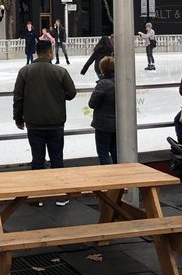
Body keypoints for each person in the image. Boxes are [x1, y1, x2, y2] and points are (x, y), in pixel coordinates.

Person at [13, 39, 77, 176]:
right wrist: (57, 95)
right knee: (57, 160)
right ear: (49, 52)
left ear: (37, 53)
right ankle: (61, 194)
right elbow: (71, 93)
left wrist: (18, 118)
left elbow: (18, 98)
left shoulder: (25, 72)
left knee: (37, 160)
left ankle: (38, 193)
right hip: (55, 123)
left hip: (34, 123)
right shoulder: (60, 72)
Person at [88, 55, 117, 164]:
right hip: (117, 123)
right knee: (115, 150)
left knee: (103, 151)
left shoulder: (103, 84)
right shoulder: (120, 82)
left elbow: (92, 103)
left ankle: (108, 174)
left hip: (103, 124)